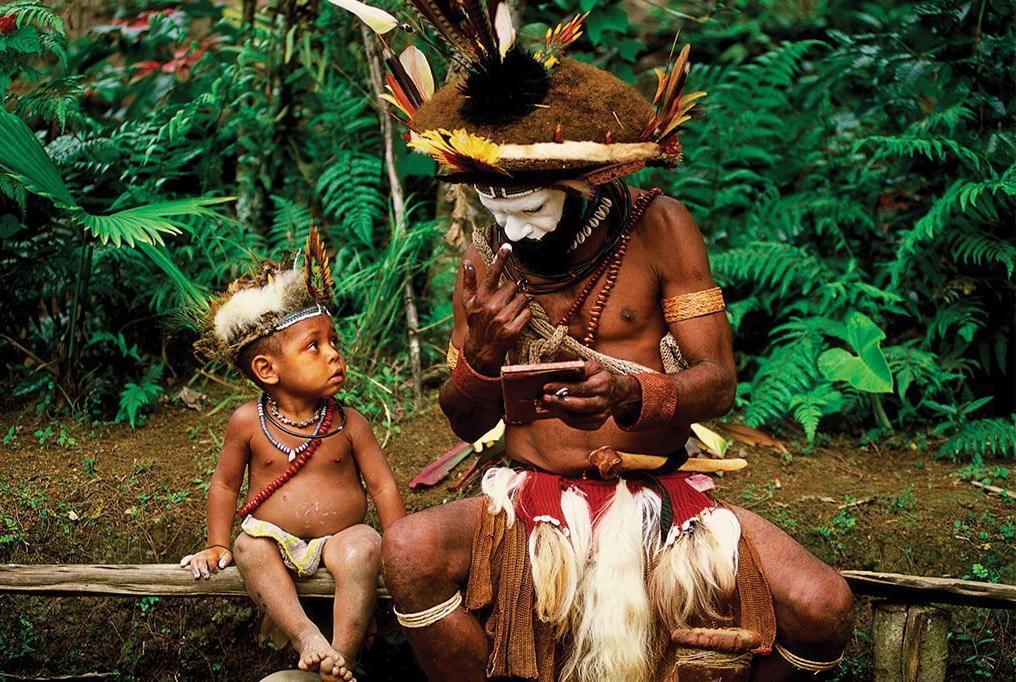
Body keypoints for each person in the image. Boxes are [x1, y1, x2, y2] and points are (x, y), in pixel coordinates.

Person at [336, 3, 853, 680]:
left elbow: (718, 383)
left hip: (660, 500)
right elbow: (464, 419)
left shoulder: (660, 227)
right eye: (497, 211)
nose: (513, 232)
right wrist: (485, 359)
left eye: (528, 209)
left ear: (583, 181)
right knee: (407, 551)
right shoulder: (484, 259)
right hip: (526, 501)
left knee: (823, 604)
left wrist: (633, 391)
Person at [180, 229, 406, 682]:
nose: (334, 355)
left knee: (365, 547)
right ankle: (306, 637)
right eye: (314, 347)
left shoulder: (349, 422)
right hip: (275, 542)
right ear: (267, 369)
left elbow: (382, 485)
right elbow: (224, 484)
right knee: (249, 547)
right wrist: (217, 543)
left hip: (339, 539)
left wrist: (400, 546)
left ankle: (340, 658)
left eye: (334, 342)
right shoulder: (247, 423)